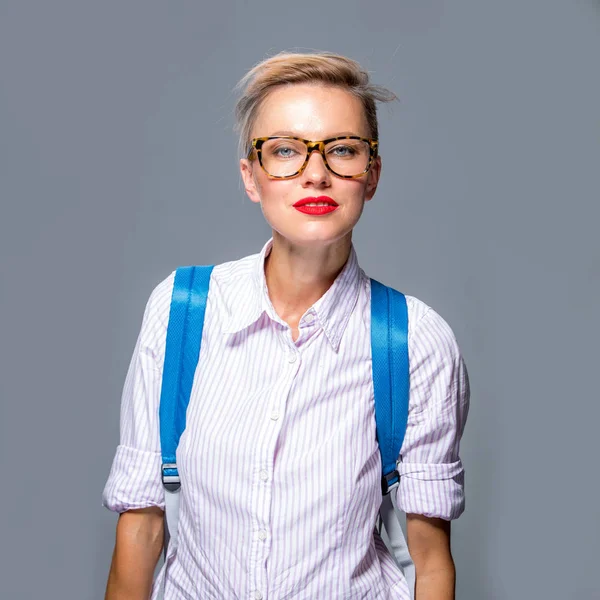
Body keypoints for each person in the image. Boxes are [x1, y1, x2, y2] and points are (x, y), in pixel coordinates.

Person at [102, 50, 470, 600]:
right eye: (285, 151)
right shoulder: (181, 312)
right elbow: (142, 525)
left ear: (371, 175)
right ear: (251, 177)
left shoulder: (414, 341)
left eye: (343, 149)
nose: (315, 173)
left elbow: (430, 561)